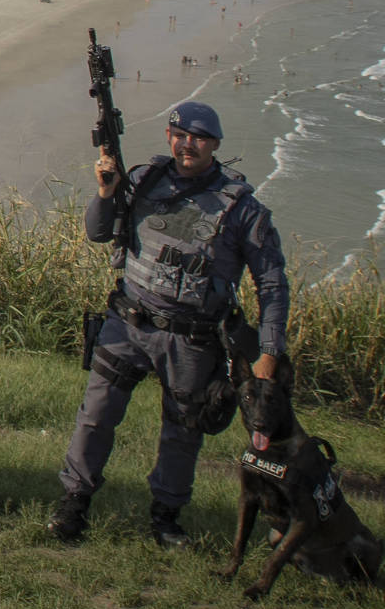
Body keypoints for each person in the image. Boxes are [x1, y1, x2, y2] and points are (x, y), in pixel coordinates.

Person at [50, 100, 287, 547]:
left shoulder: (242, 210)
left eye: (198, 138)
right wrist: (105, 193)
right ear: (168, 137)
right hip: (127, 323)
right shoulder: (143, 180)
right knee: (95, 416)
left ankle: (165, 518)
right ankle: (73, 504)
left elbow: (272, 284)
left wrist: (269, 352)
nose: (188, 144)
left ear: (215, 145)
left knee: (182, 432)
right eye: (180, 135)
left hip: (191, 340)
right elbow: (99, 233)